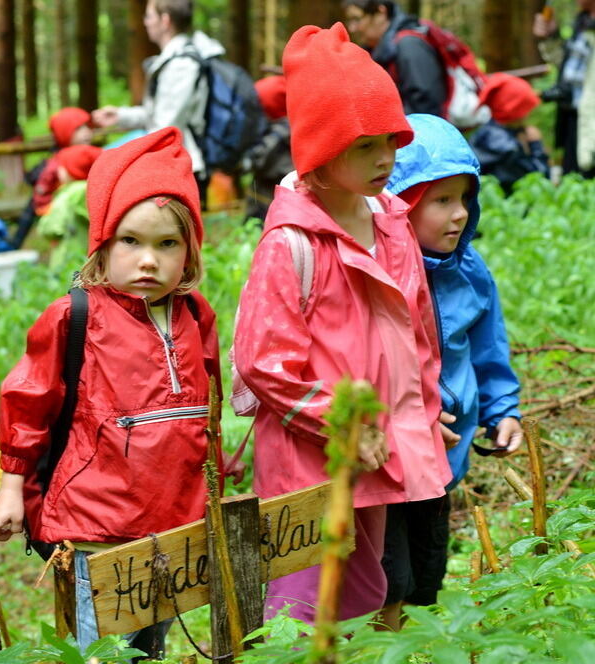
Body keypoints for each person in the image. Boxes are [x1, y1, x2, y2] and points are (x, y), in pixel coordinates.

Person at [232, 24, 450, 625]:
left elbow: (417, 332)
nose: (385, 157)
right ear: (321, 151)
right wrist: (343, 425)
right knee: (307, 608)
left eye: (390, 139)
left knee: (375, 592)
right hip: (314, 458)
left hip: (381, 449)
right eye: (363, 145)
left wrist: (423, 415)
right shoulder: (291, 244)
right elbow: (263, 361)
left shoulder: (390, 221)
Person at [0, 127, 228, 659]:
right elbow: (27, 404)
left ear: (189, 251)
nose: (148, 260)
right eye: (131, 241)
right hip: (95, 525)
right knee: (100, 651)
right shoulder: (76, 316)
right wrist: (10, 490)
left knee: (152, 642)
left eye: (168, 244)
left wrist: (214, 485)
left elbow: (207, 411)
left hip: (173, 521)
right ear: (103, 242)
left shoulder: (194, 314)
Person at [384, 113, 523, 629]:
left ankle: (419, 645)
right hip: (390, 464)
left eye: (465, 198)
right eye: (440, 200)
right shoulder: (377, 275)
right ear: (401, 203)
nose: (459, 214)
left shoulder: (470, 273)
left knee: (426, 575)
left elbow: (488, 352)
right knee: (388, 578)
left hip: (446, 461)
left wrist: (502, 409)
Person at [91, 0, 225, 198]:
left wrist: (125, 153)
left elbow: (165, 126)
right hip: (170, 162)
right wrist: (120, 116)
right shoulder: (174, 60)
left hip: (181, 164)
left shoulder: (182, 64)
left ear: (165, 20)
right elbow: (158, 114)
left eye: (149, 16)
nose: (145, 22)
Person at [343, 1, 447, 117]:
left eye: (357, 19)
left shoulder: (410, 45)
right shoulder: (374, 49)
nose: (352, 28)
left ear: (381, 12)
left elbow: (426, 107)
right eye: (349, 21)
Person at [11, 107, 96, 249]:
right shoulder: (59, 162)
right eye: (79, 128)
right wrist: (46, 210)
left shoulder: (82, 154)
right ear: (65, 133)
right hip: (64, 216)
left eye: (88, 126)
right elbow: (41, 192)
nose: (86, 132)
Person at [533, 0, 595, 177]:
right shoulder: (583, 21)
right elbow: (569, 68)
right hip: (574, 118)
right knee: (574, 179)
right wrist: (551, 36)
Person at [468, 73, 550, 194]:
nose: (528, 114)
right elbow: (539, 180)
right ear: (514, 111)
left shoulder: (488, 132)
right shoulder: (507, 147)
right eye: (525, 109)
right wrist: (536, 145)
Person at [38, 144, 103, 269]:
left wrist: (44, 227)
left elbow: (52, 227)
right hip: (88, 254)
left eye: (62, 167)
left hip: (67, 254)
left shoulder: (70, 194)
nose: (58, 170)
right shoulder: (92, 189)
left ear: (74, 170)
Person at [244, 75, 293, 221]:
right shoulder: (287, 128)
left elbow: (256, 160)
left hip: (271, 195)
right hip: (272, 192)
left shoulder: (279, 132)